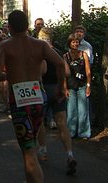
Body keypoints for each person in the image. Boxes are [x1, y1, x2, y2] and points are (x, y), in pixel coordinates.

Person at [0, 10, 66, 183]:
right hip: (39, 96)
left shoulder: (5, 46)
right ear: (27, 25)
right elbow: (61, 63)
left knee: (28, 150)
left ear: (9, 27)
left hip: (19, 100)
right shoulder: (40, 45)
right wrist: (61, 87)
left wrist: (6, 75)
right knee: (30, 144)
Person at [36, 27, 77, 175]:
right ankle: (70, 154)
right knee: (62, 123)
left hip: (43, 89)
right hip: (57, 89)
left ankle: (43, 149)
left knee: (40, 120)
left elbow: (42, 71)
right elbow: (66, 72)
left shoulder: (41, 53)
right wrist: (61, 85)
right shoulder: (59, 53)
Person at [64, 34, 91, 139]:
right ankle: (70, 133)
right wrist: (64, 88)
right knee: (71, 111)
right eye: (73, 42)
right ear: (69, 43)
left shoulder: (83, 54)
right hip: (70, 86)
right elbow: (64, 74)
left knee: (83, 110)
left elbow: (88, 71)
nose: (75, 44)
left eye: (77, 42)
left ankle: (84, 133)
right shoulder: (65, 56)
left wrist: (88, 85)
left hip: (82, 85)